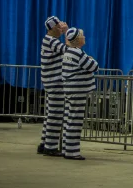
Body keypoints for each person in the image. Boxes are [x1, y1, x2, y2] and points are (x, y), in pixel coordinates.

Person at [62, 27, 99, 160]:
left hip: (69, 90)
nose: (84, 38)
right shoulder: (78, 53)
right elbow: (94, 66)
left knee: (68, 119)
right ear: (78, 39)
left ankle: (67, 148)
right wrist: (91, 59)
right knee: (75, 121)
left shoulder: (68, 52)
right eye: (82, 36)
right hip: (77, 90)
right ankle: (72, 152)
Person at [38, 16, 69, 156]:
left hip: (50, 82)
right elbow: (69, 49)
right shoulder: (52, 41)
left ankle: (44, 143)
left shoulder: (48, 40)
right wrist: (68, 32)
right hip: (55, 82)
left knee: (50, 113)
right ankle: (50, 147)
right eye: (58, 27)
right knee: (55, 116)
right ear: (52, 29)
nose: (60, 29)